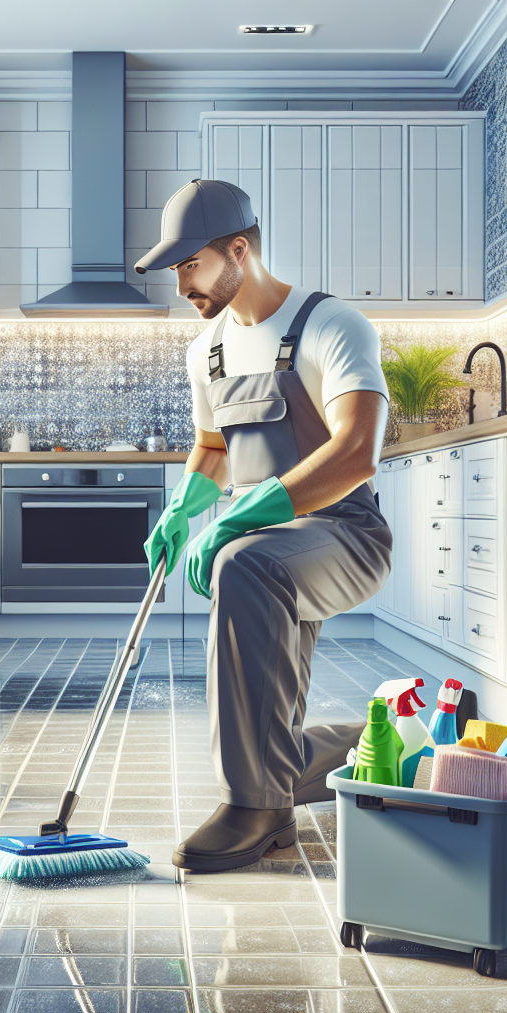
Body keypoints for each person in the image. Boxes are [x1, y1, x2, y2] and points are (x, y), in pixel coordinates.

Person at [137, 179, 393, 872]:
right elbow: (214, 447)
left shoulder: (331, 324)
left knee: (241, 563)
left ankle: (251, 806)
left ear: (238, 251)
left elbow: (356, 452)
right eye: (175, 269)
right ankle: (386, 743)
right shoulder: (207, 351)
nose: (181, 285)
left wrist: (238, 518)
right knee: (248, 572)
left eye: (191, 264)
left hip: (343, 534)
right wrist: (184, 506)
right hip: (264, 545)